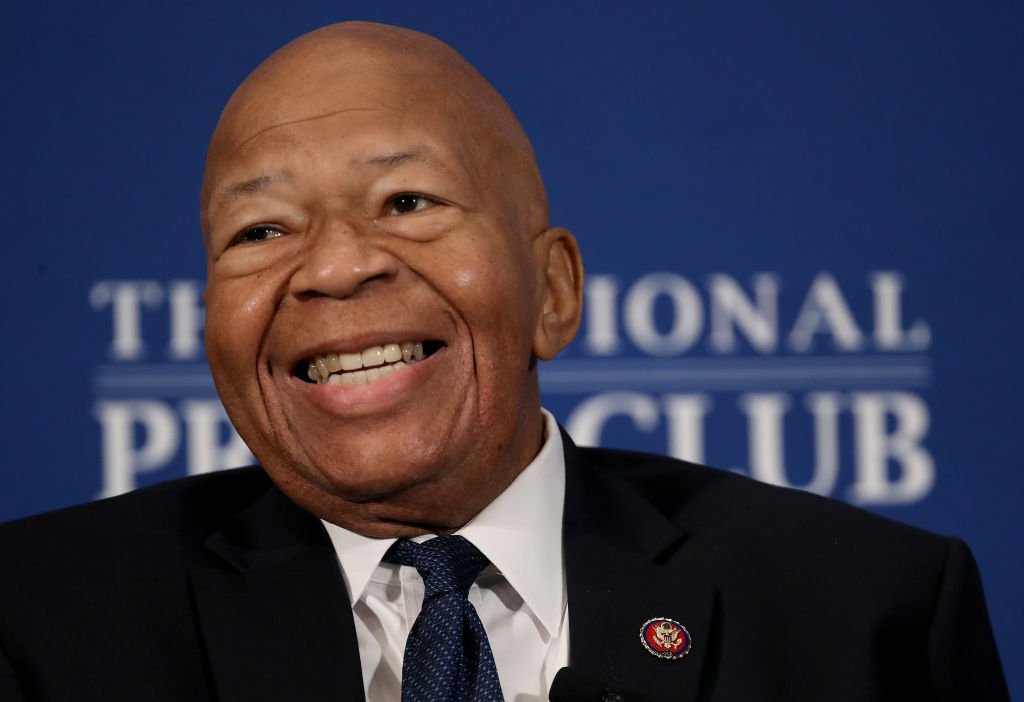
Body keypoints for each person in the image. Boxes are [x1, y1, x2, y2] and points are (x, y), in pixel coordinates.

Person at [0, 21, 1009, 702]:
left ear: (554, 291)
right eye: (261, 230)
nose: (337, 267)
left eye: (407, 202)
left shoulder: (864, 620)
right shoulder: (37, 625)